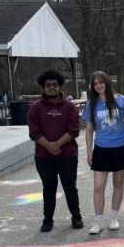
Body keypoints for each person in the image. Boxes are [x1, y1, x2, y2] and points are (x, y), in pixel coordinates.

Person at [28, 70, 83, 233]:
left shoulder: (70, 107)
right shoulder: (36, 107)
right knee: (49, 188)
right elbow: (34, 131)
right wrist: (49, 145)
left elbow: (74, 129)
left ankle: (76, 216)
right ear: (42, 88)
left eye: (54, 84)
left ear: (60, 87)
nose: (51, 87)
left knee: (70, 187)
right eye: (48, 85)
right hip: (44, 156)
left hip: (68, 155)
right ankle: (48, 219)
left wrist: (57, 144)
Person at [83, 72, 124, 235]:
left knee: (118, 183)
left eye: (101, 82)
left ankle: (114, 217)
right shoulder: (91, 103)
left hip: (121, 146)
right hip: (102, 148)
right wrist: (89, 153)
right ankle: (98, 221)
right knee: (98, 186)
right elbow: (89, 130)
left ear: (107, 82)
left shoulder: (120, 100)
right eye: (95, 84)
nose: (99, 86)